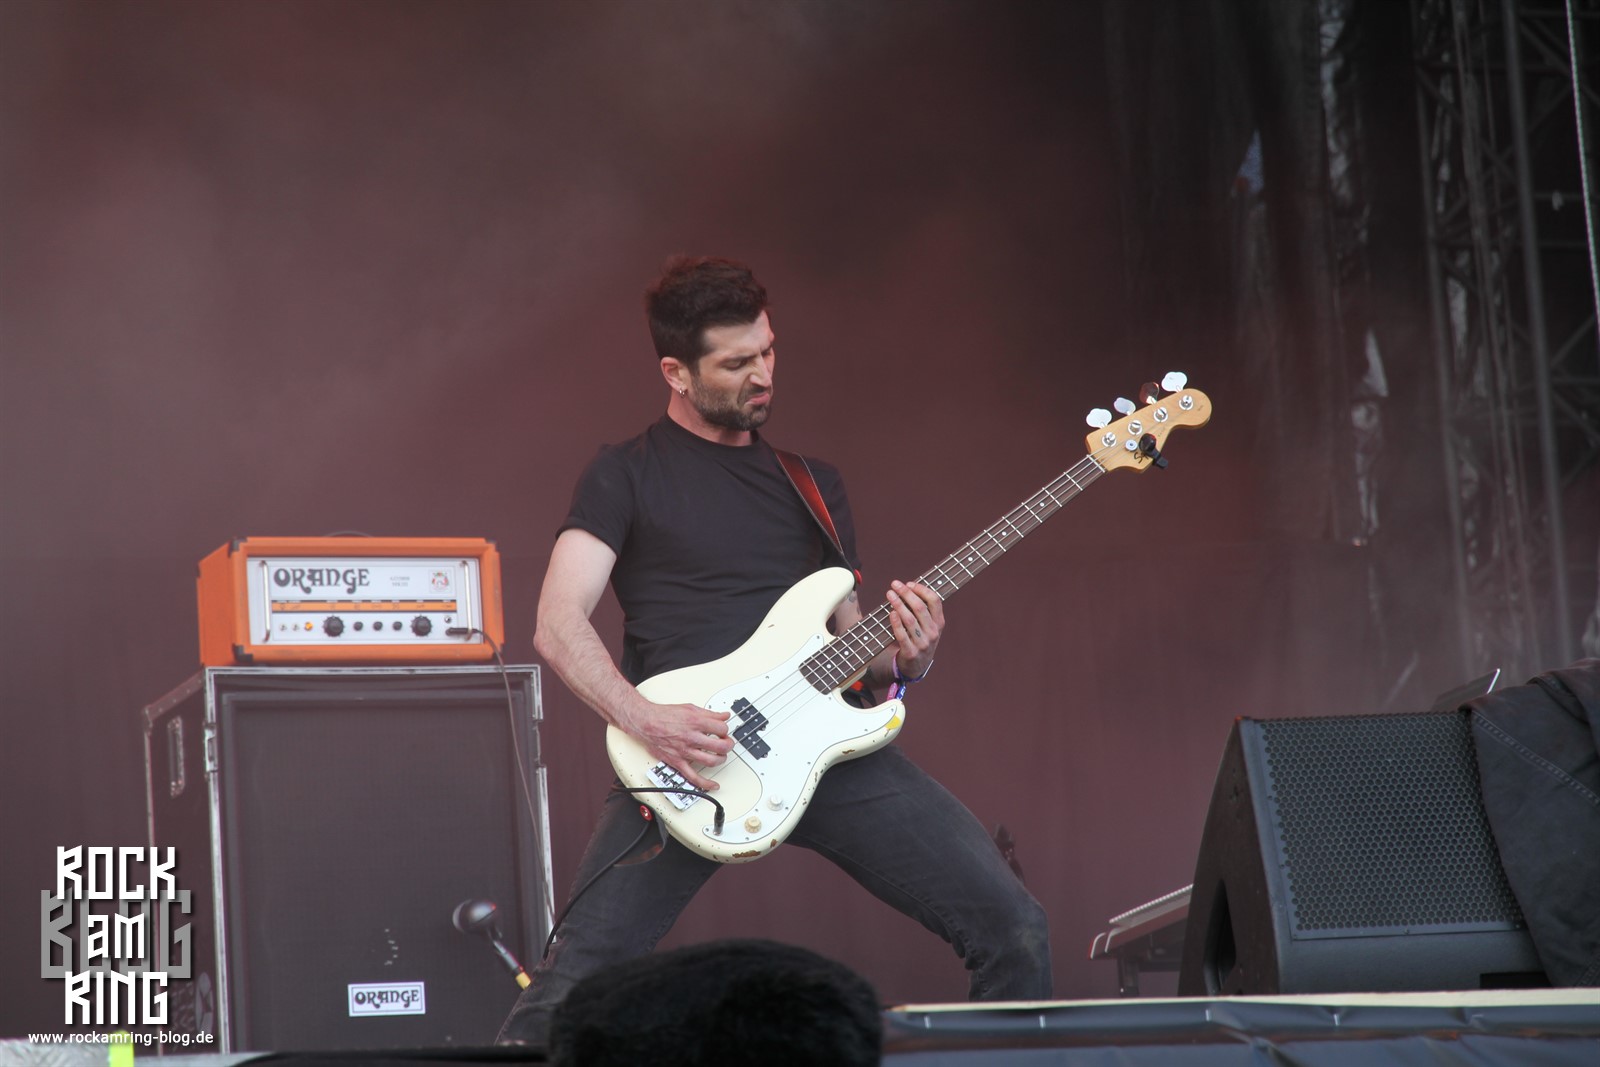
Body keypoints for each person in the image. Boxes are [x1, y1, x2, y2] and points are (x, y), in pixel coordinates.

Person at [497, 256, 1052, 1046]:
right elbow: (557, 621)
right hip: (686, 755)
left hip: (826, 751)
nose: (762, 374)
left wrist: (909, 656)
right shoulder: (623, 474)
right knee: (569, 991)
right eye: (736, 363)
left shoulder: (811, 484)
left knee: (1015, 928)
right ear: (676, 372)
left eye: (768, 351)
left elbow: (856, 649)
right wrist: (644, 718)